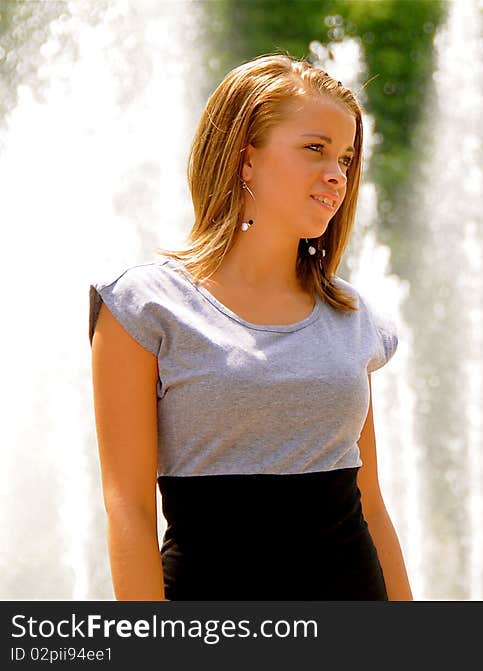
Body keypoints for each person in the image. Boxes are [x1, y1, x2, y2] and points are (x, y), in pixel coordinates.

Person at [88, 53, 413, 601]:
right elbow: (130, 510)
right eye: (315, 149)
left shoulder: (351, 316)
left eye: (347, 157)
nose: (337, 173)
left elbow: (371, 501)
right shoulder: (143, 307)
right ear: (246, 160)